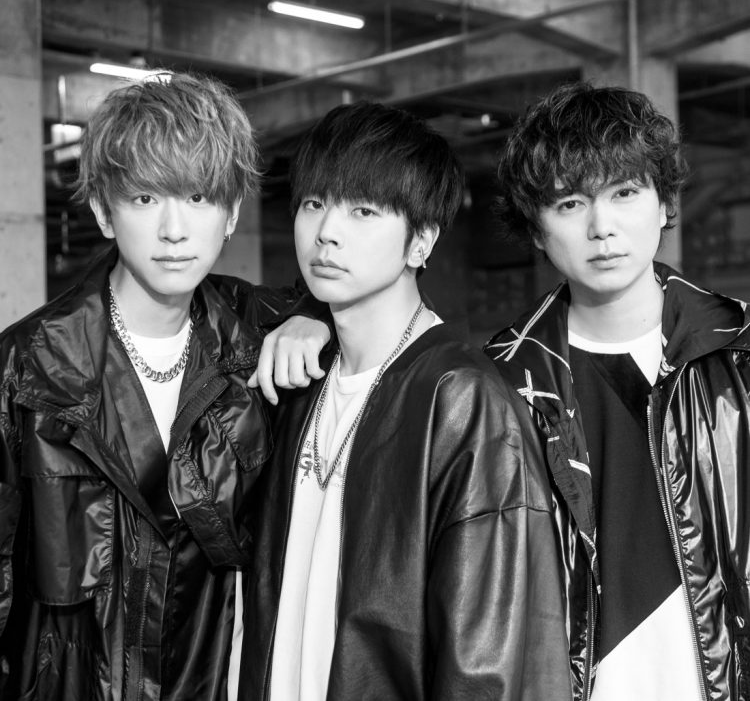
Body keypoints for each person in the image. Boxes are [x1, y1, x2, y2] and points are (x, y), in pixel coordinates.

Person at [0, 72, 327, 701]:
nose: (175, 230)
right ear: (104, 212)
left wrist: (315, 318)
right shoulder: (28, 368)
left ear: (232, 214)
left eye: (199, 197)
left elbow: (368, 304)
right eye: (146, 198)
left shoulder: (256, 338)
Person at [240, 100, 571, 700]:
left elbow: (485, 660)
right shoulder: (296, 380)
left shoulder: (462, 399)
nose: (327, 232)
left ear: (421, 241)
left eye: (363, 211)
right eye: (313, 203)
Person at [485, 81, 750, 700]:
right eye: (570, 203)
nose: (601, 227)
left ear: (663, 205)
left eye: (625, 193)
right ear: (536, 228)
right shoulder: (501, 382)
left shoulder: (740, 353)